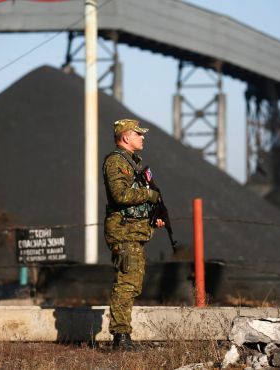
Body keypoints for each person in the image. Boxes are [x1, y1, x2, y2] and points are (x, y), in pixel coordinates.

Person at [102, 118, 165, 350]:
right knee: (126, 283)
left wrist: (152, 218)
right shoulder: (116, 162)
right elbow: (120, 195)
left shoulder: (133, 163)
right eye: (138, 134)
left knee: (133, 283)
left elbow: (132, 202)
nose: (142, 137)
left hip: (134, 231)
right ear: (126, 137)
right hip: (124, 233)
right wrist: (149, 196)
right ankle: (121, 337)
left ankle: (123, 336)